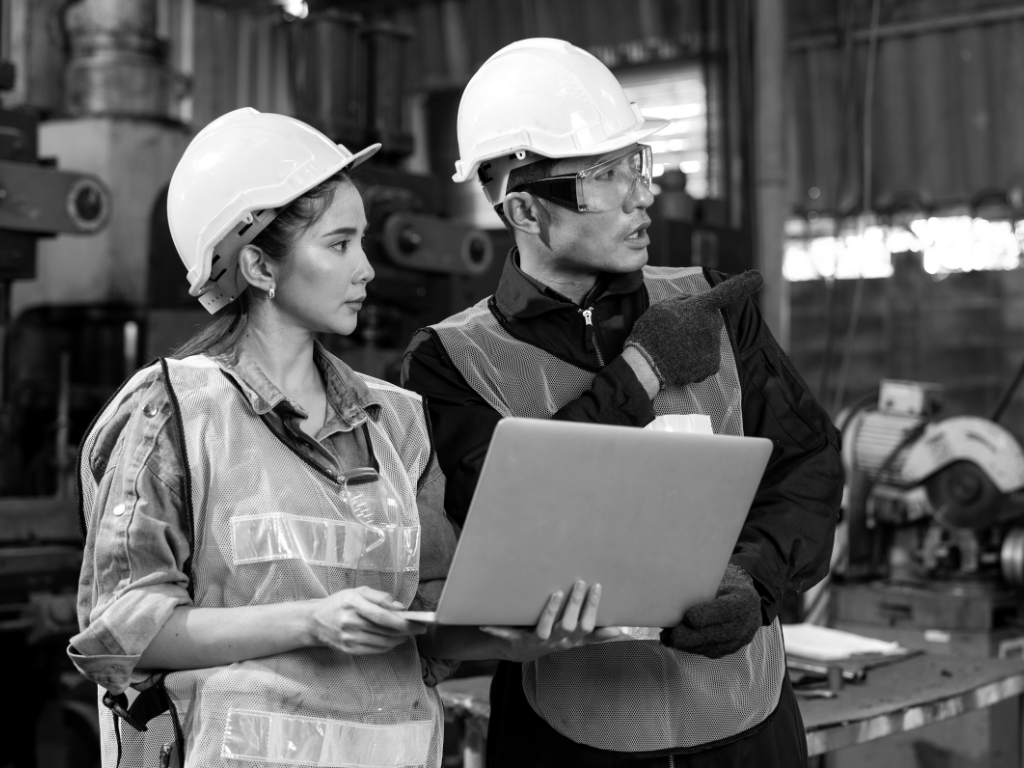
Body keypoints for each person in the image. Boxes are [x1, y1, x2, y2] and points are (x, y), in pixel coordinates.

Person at [69, 108, 612, 768]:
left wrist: (520, 637)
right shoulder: (176, 411)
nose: (367, 270)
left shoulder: (398, 422)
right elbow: (122, 632)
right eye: (339, 244)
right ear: (260, 268)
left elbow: (424, 631)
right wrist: (311, 620)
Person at [401, 39, 843, 768]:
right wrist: (636, 375)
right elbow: (522, 525)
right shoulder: (452, 362)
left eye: (635, 163)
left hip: (748, 725)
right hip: (566, 736)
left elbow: (811, 466)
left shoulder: (711, 304)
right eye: (606, 176)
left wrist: (756, 579)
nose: (643, 194)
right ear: (526, 210)